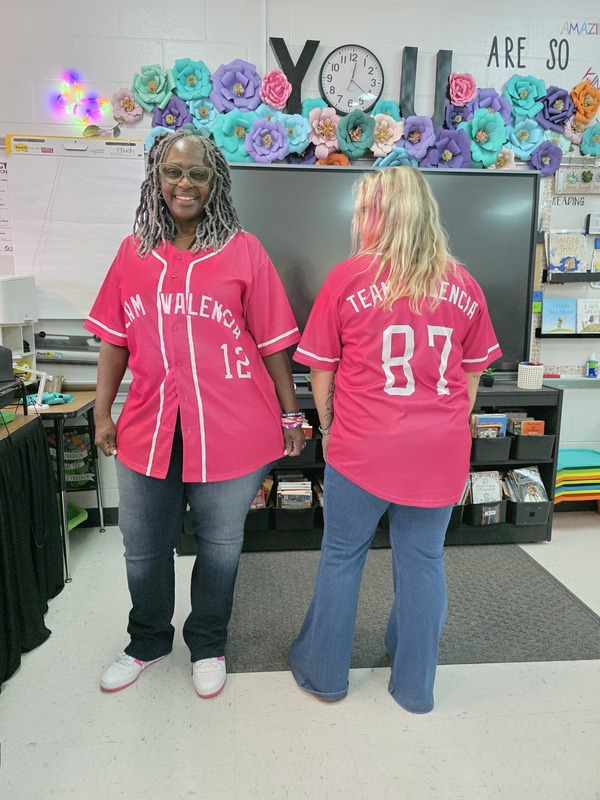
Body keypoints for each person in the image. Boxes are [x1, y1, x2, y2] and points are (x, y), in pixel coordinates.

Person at [84, 130, 305, 698]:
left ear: (216, 183)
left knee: (220, 545)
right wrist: (102, 411)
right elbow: (114, 341)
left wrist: (290, 415)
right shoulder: (132, 252)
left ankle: (208, 642)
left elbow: (272, 343)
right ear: (157, 179)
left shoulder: (243, 250)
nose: (186, 184)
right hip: (147, 428)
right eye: (174, 172)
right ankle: (148, 640)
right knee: (143, 547)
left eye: (198, 174)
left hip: (228, 429)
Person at [288, 166, 500, 713]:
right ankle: (413, 687)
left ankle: (325, 676)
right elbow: (472, 376)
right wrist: (444, 426)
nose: (357, 221)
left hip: (363, 447)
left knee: (341, 556)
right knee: (423, 560)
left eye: (362, 211)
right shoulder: (465, 284)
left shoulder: (345, 278)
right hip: (440, 452)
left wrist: (331, 431)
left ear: (380, 215)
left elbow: (321, 373)